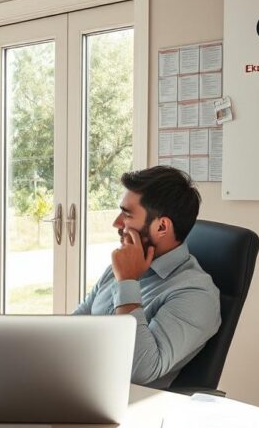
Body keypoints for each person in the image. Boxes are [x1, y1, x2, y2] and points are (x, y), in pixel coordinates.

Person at [73, 166, 220, 389]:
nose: (117, 223)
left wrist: (127, 283)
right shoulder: (122, 265)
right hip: (78, 383)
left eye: (127, 214)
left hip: (124, 406)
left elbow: (140, 371)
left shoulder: (196, 294)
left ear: (162, 226)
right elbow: (73, 327)